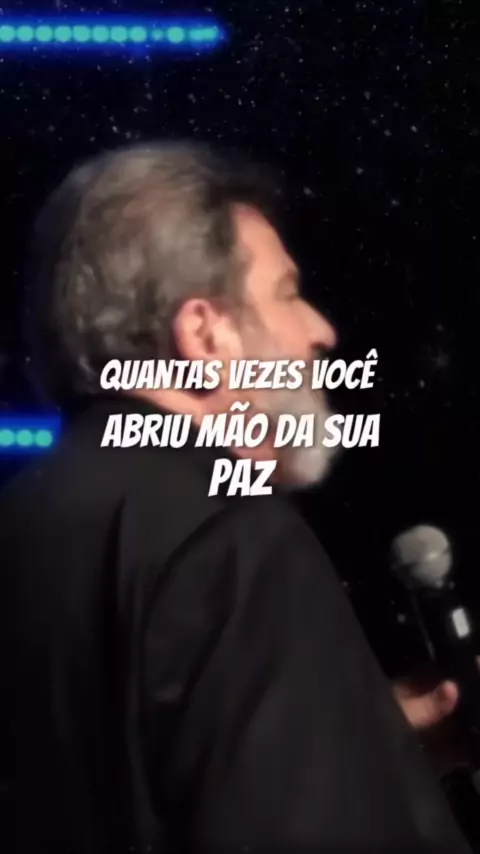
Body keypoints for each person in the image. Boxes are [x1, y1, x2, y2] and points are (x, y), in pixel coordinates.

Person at [0, 141, 471, 853]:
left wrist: (367, 748)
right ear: (204, 333)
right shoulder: (233, 534)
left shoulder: (22, 517)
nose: (321, 331)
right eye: (286, 293)